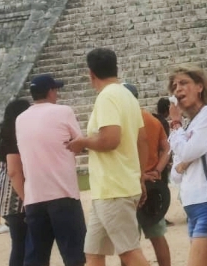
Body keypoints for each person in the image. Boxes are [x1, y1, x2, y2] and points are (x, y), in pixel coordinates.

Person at [64, 49, 149, 266]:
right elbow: (142, 140)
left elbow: (110, 140)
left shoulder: (107, 97)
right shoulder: (127, 95)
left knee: (129, 252)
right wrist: (139, 175)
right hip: (111, 188)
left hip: (113, 188)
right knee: (93, 253)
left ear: (91, 73)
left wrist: (82, 142)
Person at [16, 74, 87, 266]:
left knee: (36, 258)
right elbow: (79, 143)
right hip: (63, 193)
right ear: (50, 91)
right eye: (55, 90)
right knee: (75, 257)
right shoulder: (63, 111)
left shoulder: (20, 119)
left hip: (34, 197)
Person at [167, 65, 207, 266]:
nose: (178, 89)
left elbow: (185, 153)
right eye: (174, 85)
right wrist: (185, 157)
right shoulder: (190, 124)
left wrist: (176, 125)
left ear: (200, 87)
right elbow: (175, 173)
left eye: (184, 83)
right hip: (194, 205)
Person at [126, 82, 172, 266]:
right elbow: (166, 148)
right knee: (157, 236)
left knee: (130, 243)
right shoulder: (152, 120)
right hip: (153, 185)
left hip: (132, 182)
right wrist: (158, 170)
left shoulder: (125, 121)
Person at [0, 99, 32, 266]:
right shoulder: (14, 137)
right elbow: (14, 171)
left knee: (19, 243)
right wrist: (27, 199)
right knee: (22, 244)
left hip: (5, 193)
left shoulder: (4, 136)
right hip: (15, 196)